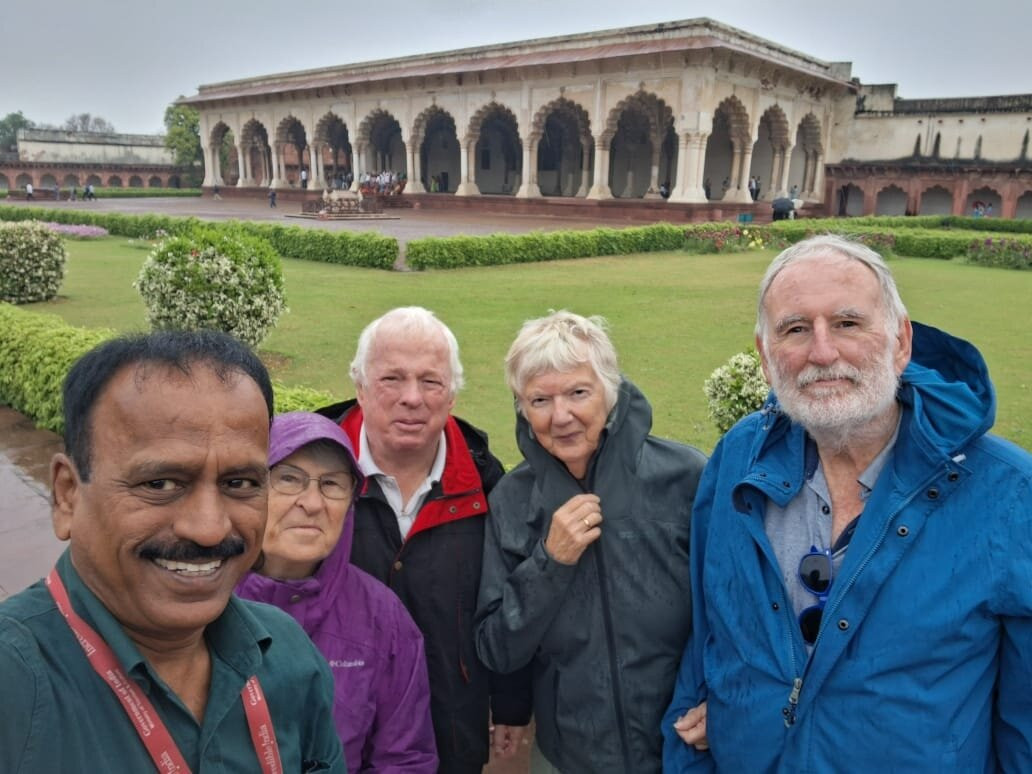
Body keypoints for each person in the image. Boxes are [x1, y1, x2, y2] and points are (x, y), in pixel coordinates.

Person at [662, 235, 1032, 772]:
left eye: (847, 323)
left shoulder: (1007, 492)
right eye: (794, 329)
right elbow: (708, 636)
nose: (822, 352)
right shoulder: (739, 457)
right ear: (766, 358)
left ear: (901, 342)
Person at [0, 331, 344, 772]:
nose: (208, 528)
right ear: (67, 495)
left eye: (239, 483)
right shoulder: (13, 691)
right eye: (160, 483)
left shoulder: (289, 656)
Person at [476, 311, 707, 773]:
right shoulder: (513, 499)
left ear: (610, 389)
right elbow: (497, 647)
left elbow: (737, 611)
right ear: (522, 407)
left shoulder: (685, 477)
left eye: (578, 392)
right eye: (540, 399)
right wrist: (550, 562)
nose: (561, 416)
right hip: (571, 757)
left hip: (685, 747)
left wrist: (722, 696)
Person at [318, 307, 531, 774]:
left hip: (450, 736)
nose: (412, 398)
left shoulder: (488, 487)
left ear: (451, 394)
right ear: (359, 385)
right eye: (391, 378)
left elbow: (507, 602)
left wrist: (511, 704)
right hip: (328, 736)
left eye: (430, 382)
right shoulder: (309, 478)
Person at [236, 411, 437, 773]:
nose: (312, 503)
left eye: (331, 484)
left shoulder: (382, 616)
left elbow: (404, 759)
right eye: (289, 479)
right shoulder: (201, 599)